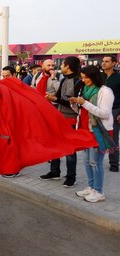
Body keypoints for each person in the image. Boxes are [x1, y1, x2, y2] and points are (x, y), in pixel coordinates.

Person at [70, 65, 115, 203]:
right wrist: (75, 103)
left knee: (96, 163)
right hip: (85, 130)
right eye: (82, 78)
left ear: (93, 77)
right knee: (87, 162)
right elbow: (82, 111)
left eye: (85, 78)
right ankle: (91, 187)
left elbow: (105, 114)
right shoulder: (87, 90)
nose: (83, 81)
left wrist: (84, 103)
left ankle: (99, 191)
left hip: (99, 132)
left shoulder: (105, 91)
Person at [40, 56, 83, 187]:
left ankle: (71, 176)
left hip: (71, 119)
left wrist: (55, 99)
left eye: (62, 64)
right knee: (55, 144)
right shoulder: (64, 80)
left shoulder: (78, 81)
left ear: (68, 66)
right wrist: (50, 98)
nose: (60, 67)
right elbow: (58, 97)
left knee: (70, 149)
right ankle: (54, 171)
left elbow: (73, 103)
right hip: (59, 117)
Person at [101, 55, 120, 172]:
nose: (104, 63)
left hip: (114, 110)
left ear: (114, 63)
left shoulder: (118, 78)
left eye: (107, 61)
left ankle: (114, 163)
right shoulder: (99, 77)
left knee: (113, 138)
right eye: (103, 61)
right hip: (99, 110)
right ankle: (96, 160)